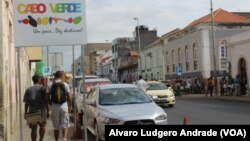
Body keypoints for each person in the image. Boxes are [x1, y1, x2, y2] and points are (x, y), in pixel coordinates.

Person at [47, 71, 72, 141]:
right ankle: (64, 138)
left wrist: (51, 105)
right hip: (64, 106)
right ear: (61, 76)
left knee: (56, 126)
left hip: (54, 106)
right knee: (65, 124)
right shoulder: (65, 84)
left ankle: (56, 140)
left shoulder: (50, 84)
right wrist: (70, 106)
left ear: (55, 76)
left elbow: (47, 97)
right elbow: (69, 97)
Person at [23, 74, 49, 141]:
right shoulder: (43, 88)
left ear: (33, 80)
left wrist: (25, 113)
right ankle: (40, 139)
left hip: (32, 112)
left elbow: (26, 103)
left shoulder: (28, 89)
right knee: (42, 126)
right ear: (39, 80)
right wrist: (48, 111)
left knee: (33, 129)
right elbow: (46, 101)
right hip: (42, 111)